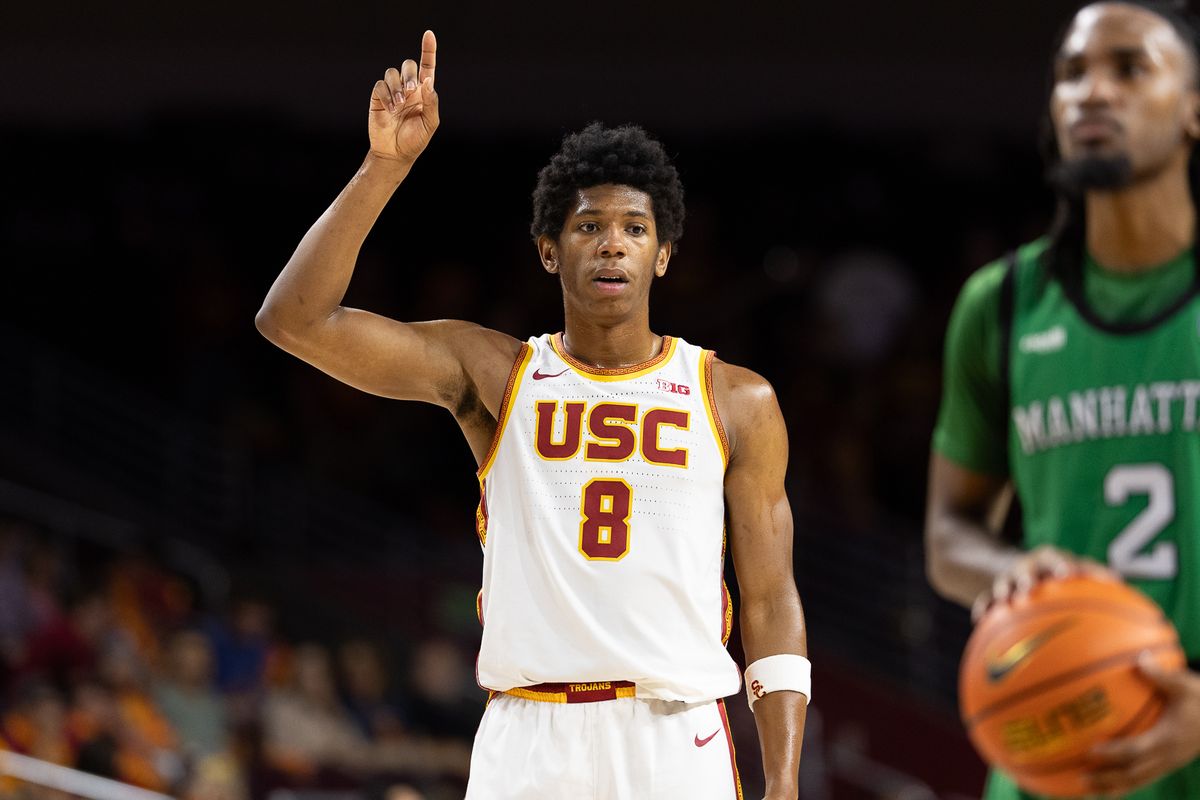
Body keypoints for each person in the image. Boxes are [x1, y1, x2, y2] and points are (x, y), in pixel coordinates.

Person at [255, 30, 809, 799]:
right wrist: (384, 169)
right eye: (588, 227)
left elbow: (771, 597)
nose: (611, 245)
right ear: (550, 250)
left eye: (634, 229)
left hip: (673, 732)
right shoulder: (494, 372)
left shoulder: (736, 398)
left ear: (663, 255)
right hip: (528, 734)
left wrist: (782, 779)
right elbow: (293, 321)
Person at [926, 2, 1200, 798]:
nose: (1092, 93)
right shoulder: (1003, 303)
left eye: (1129, 68)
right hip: (1059, 751)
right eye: (1072, 73)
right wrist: (1010, 568)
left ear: (1193, 109)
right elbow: (950, 534)